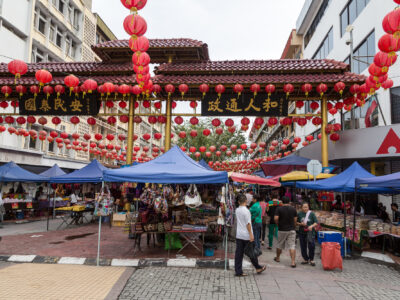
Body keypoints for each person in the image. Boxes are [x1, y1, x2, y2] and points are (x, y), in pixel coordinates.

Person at [234, 193, 266, 277]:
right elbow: (248, 224)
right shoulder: (246, 211)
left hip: (239, 235)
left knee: (239, 254)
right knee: (251, 252)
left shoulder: (237, 210)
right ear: (246, 201)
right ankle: (257, 267)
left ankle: (238, 271)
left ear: (238, 201)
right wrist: (251, 235)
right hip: (246, 235)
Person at [274, 196, 297, 268]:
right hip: (291, 229)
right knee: (292, 245)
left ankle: (277, 258)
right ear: (289, 202)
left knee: (279, 244)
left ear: (282, 202)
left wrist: (277, 224)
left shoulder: (279, 209)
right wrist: (294, 226)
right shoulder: (293, 209)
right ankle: (293, 262)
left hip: (282, 229)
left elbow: (276, 218)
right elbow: (295, 220)